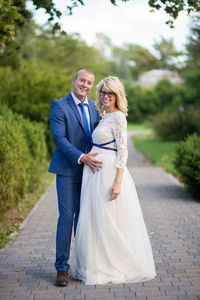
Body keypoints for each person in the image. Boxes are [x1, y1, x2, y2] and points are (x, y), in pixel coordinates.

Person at [70, 76, 156, 285]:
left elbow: (123, 152)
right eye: (103, 92)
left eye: (110, 93)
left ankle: (111, 267)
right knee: (96, 220)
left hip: (108, 174)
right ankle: (96, 264)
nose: (105, 96)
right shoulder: (103, 116)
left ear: (117, 95)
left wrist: (118, 181)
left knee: (107, 220)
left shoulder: (118, 117)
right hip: (93, 173)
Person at [48, 69, 102, 286]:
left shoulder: (96, 108)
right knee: (67, 217)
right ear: (74, 81)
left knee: (85, 218)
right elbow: (59, 139)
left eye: (89, 82)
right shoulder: (59, 105)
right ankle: (62, 268)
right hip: (68, 170)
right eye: (82, 80)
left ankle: (82, 265)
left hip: (91, 172)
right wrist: (82, 157)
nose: (85, 85)